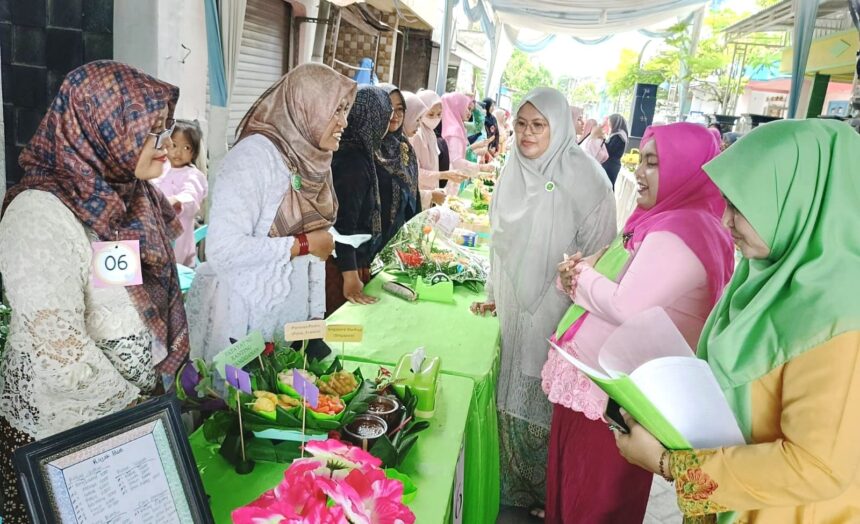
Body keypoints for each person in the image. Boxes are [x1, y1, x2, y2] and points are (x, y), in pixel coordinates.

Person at [615, 119, 860, 524]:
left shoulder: (841, 315)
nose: (725, 221)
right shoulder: (761, 278)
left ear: (796, 200)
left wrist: (670, 465)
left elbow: (817, 466)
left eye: (740, 206)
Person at [0, 61, 189, 523]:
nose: (166, 149)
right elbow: (58, 348)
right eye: (152, 133)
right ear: (103, 127)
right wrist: (136, 411)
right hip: (62, 436)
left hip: (131, 418)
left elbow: (117, 292)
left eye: (167, 133)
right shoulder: (39, 214)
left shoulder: (121, 199)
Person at [542, 122, 735, 523]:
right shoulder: (656, 220)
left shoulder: (684, 230)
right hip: (597, 387)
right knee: (573, 494)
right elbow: (612, 270)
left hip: (615, 398)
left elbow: (628, 304)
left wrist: (579, 277)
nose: (641, 172)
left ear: (687, 168)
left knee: (593, 503)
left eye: (654, 163)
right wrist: (584, 271)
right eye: (641, 159)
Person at [471, 88, 617, 515]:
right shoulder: (512, 169)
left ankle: (545, 493)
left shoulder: (588, 178)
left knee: (544, 390)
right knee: (510, 386)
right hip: (515, 304)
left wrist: (578, 279)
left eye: (538, 124)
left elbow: (602, 252)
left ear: (559, 127)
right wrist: (494, 294)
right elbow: (499, 243)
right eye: (521, 124)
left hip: (561, 308)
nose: (527, 133)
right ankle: (509, 487)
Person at [186, 64, 356, 361]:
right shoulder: (253, 158)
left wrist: (314, 320)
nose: (343, 122)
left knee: (286, 403)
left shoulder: (313, 159)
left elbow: (317, 249)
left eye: (345, 110)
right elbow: (223, 249)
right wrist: (300, 244)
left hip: (289, 325)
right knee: (240, 405)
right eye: (336, 110)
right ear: (307, 106)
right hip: (243, 320)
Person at [326, 86, 392, 313]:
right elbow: (343, 227)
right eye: (386, 118)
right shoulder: (352, 161)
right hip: (342, 271)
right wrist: (351, 277)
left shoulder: (359, 153)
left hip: (352, 263)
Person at [152, 120, 208, 266]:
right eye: (174, 145)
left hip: (179, 240)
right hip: (154, 233)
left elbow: (191, 195)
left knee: (175, 266)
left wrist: (177, 200)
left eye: (186, 147)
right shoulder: (160, 167)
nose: (178, 152)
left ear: (194, 152)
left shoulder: (193, 175)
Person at [411, 90, 468, 202]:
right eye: (430, 114)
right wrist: (444, 175)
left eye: (439, 114)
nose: (435, 118)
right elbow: (416, 172)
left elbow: (434, 165)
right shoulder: (416, 135)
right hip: (420, 194)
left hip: (432, 192)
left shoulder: (430, 133)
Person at [441, 92, 494, 194]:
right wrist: (482, 168)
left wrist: (474, 106)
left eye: (471, 109)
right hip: (451, 179)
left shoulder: (456, 124)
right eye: (467, 108)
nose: (469, 112)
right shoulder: (455, 129)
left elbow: (477, 126)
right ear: (458, 106)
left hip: (453, 176)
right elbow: (456, 161)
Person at [601, 113, 629, 187]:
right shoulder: (619, 135)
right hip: (612, 164)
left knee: (608, 186)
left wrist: (603, 140)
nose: (609, 124)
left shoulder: (619, 136)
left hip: (611, 164)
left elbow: (609, 150)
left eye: (610, 122)